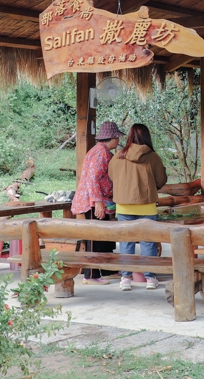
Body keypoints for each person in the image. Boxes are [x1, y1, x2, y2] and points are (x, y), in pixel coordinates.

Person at [108, 123, 168, 290]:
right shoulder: (153, 157)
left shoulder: (118, 156)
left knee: (126, 242)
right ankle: (150, 278)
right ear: (146, 137)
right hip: (146, 206)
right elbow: (161, 180)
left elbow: (112, 176)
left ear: (129, 136)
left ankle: (126, 279)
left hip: (124, 206)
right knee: (148, 243)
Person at [71, 121, 123, 284]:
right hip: (92, 201)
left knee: (105, 237)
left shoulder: (101, 151)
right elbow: (93, 179)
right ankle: (91, 275)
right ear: (112, 138)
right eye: (118, 138)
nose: (119, 141)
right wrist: (98, 202)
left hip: (100, 199)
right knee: (94, 237)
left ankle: (107, 269)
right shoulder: (101, 153)